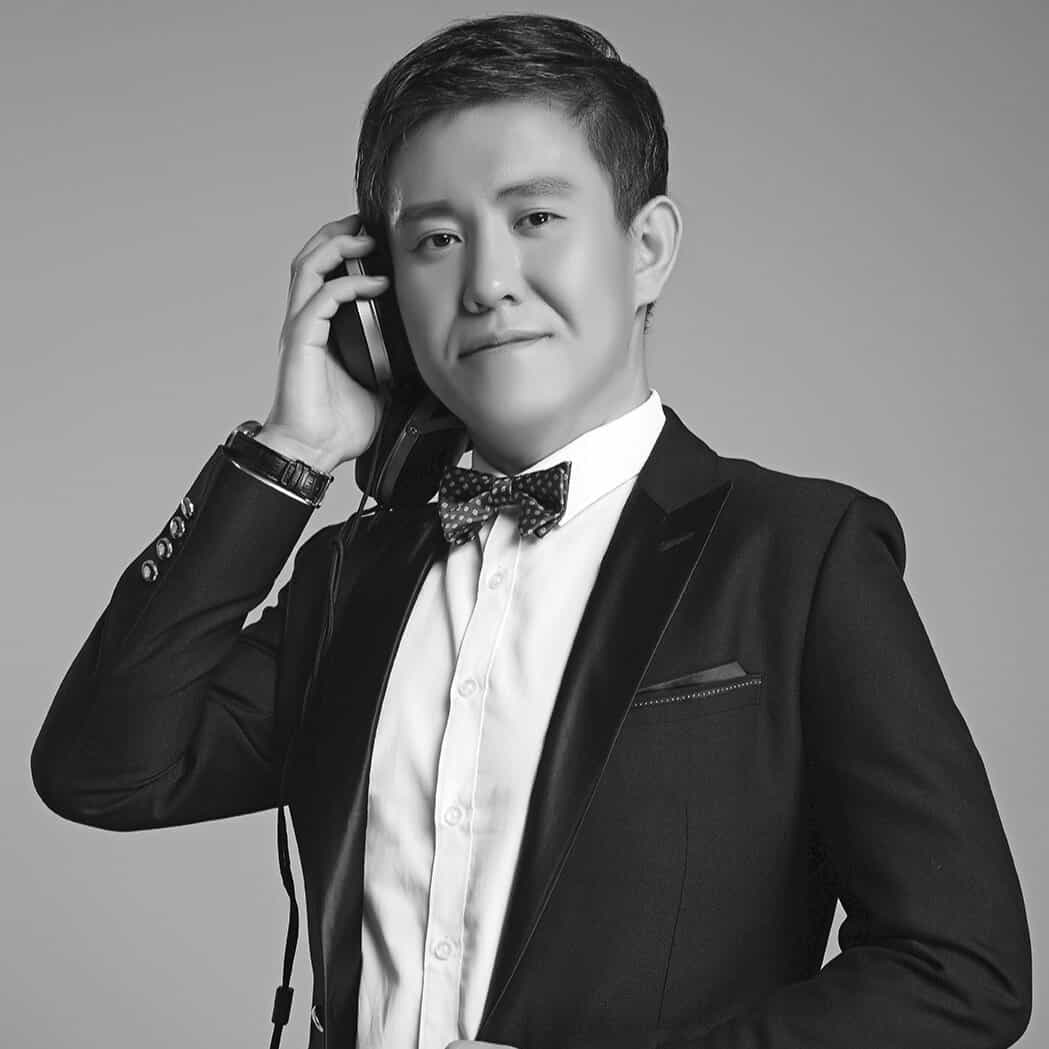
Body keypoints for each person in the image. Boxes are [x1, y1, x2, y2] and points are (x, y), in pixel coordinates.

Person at [31, 13, 1031, 1049]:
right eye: (436, 239)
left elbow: (958, 966)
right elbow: (103, 770)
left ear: (646, 248)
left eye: (536, 217)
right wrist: (290, 452)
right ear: (380, 298)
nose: (486, 282)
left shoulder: (799, 553)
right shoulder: (348, 577)